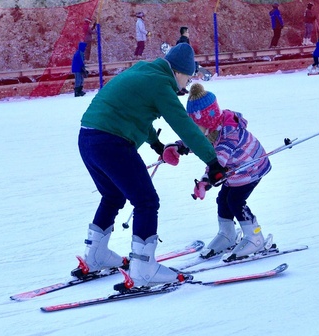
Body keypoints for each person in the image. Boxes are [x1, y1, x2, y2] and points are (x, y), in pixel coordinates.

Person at [73, 43, 226, 288]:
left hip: (88, 137)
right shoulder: (161, 84)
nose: (186, 85)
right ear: (178, 72)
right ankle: (143, 268)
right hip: (111, 141)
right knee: (146, 201)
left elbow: (133, 110)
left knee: (112, 195)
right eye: (187, 77)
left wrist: (156, 144)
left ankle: (96, 255)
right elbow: (184, 125)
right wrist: (213, 161)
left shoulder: (145, 70)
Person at [186, 83, 272, 261]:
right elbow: (202, 146)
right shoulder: (211, 130)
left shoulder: (229, 133)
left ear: (206, 121)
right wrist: (179, 147)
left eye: (195, 125)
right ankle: (227, 234)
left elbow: (219, 161)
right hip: (235, 171)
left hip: (251, 168)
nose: (194, 130)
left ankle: (255, 236)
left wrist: (206, 181)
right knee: (223, 199)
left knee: (235, 200)